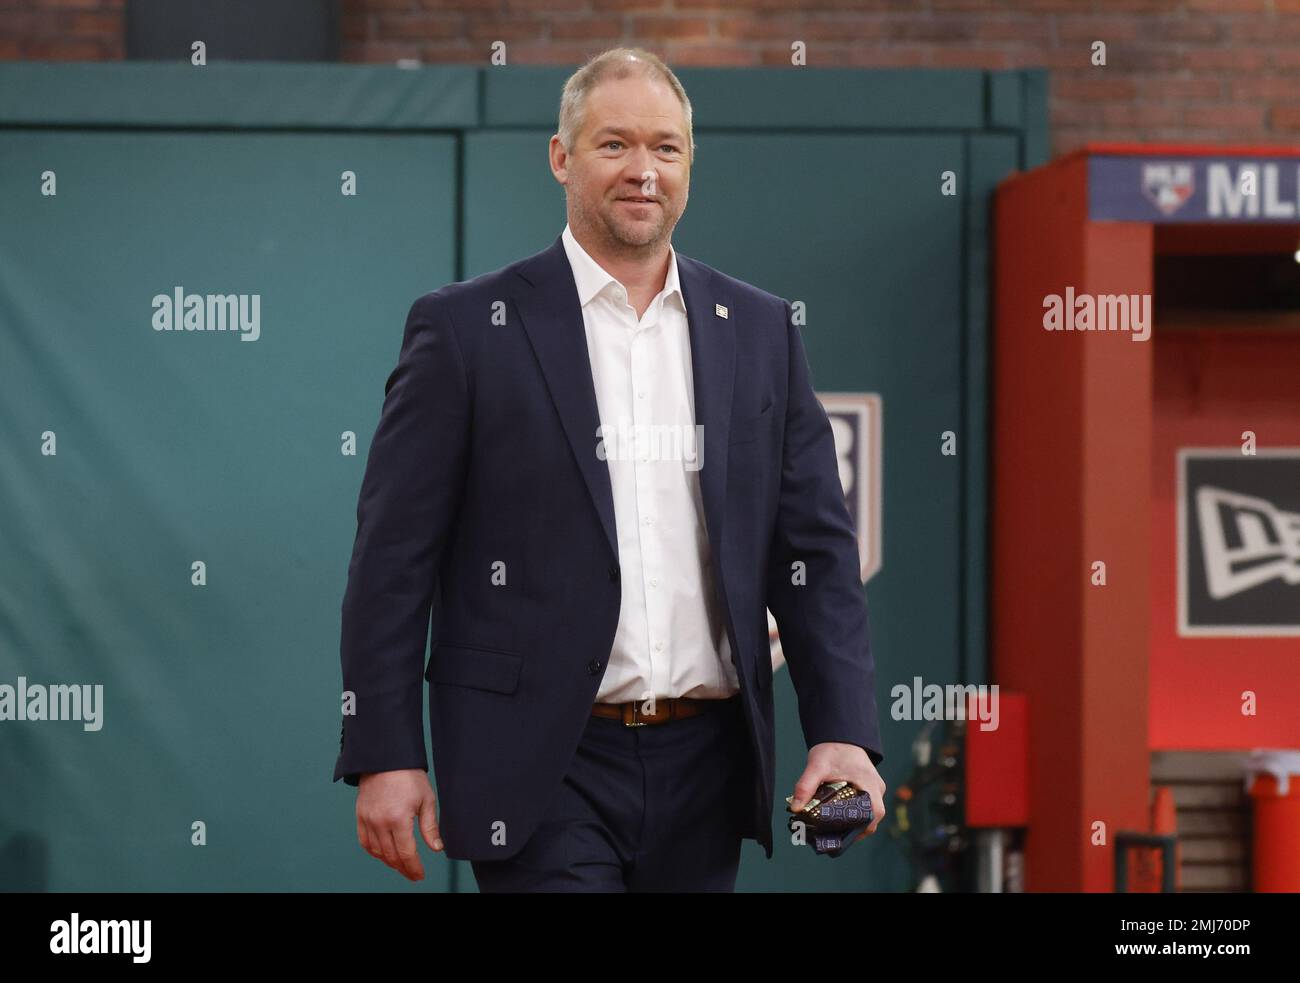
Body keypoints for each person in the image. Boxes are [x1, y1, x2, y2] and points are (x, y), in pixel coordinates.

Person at [334, 46, 885, 892]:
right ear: (562, 157)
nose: (643, 171)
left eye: (666, 148)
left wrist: (842, 731)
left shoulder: (762, 332)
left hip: (710, 762)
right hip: (539, 764)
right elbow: (391, 558)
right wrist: (385, 748)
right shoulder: (467, 330)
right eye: (614, 144)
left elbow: (814, 551)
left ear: (690, 167)